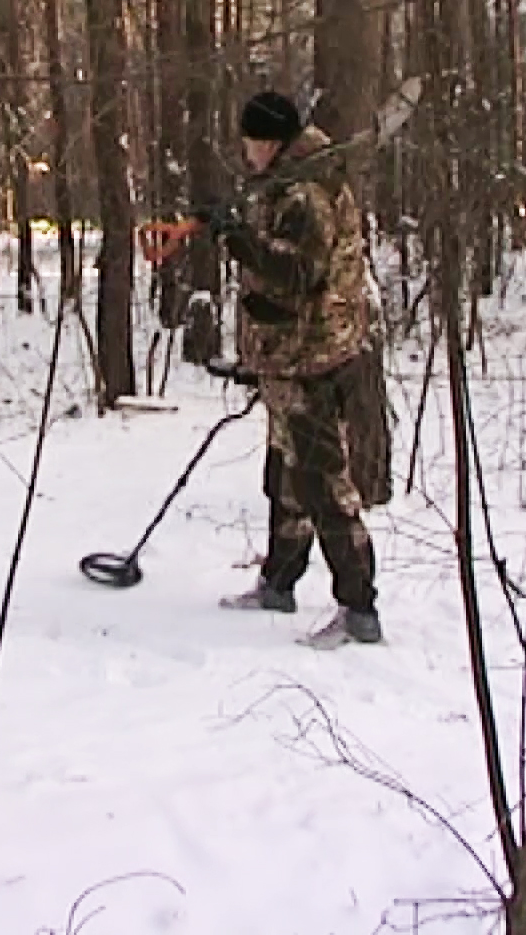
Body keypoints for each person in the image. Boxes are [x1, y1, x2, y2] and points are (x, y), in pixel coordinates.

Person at [196, 91, 382, 648]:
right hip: (289, 355)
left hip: (312, 358)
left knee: (323, 480)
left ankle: (359, 609)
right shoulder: (291, 180)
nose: (245, 152)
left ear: (270, 142)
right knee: (287, 475)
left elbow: (296, 273)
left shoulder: (306, 193)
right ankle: (279, 583)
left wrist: (235, 238)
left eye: (250, 141)